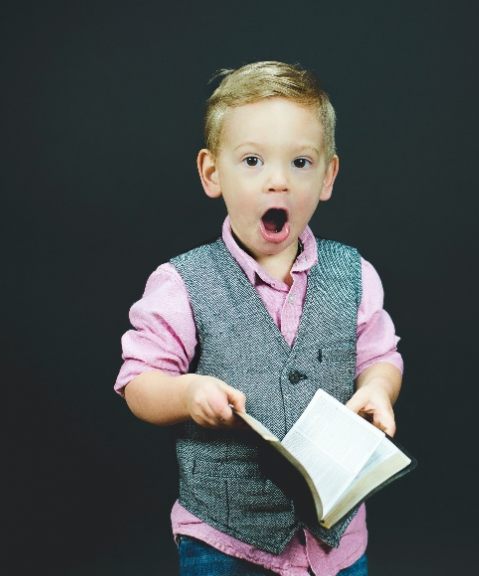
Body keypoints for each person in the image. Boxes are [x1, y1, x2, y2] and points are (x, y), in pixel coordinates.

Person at [114, 61, 403, 576]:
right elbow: (138, 382)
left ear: (328, 176)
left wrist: (379, 388)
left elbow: (381, 355)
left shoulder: (354, 274)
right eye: (252, 160)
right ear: (212, 173)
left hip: (334, 543)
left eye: (300, 162)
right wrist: (186, 393)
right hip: (225, 540)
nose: (277, 181)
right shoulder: (182, 283)